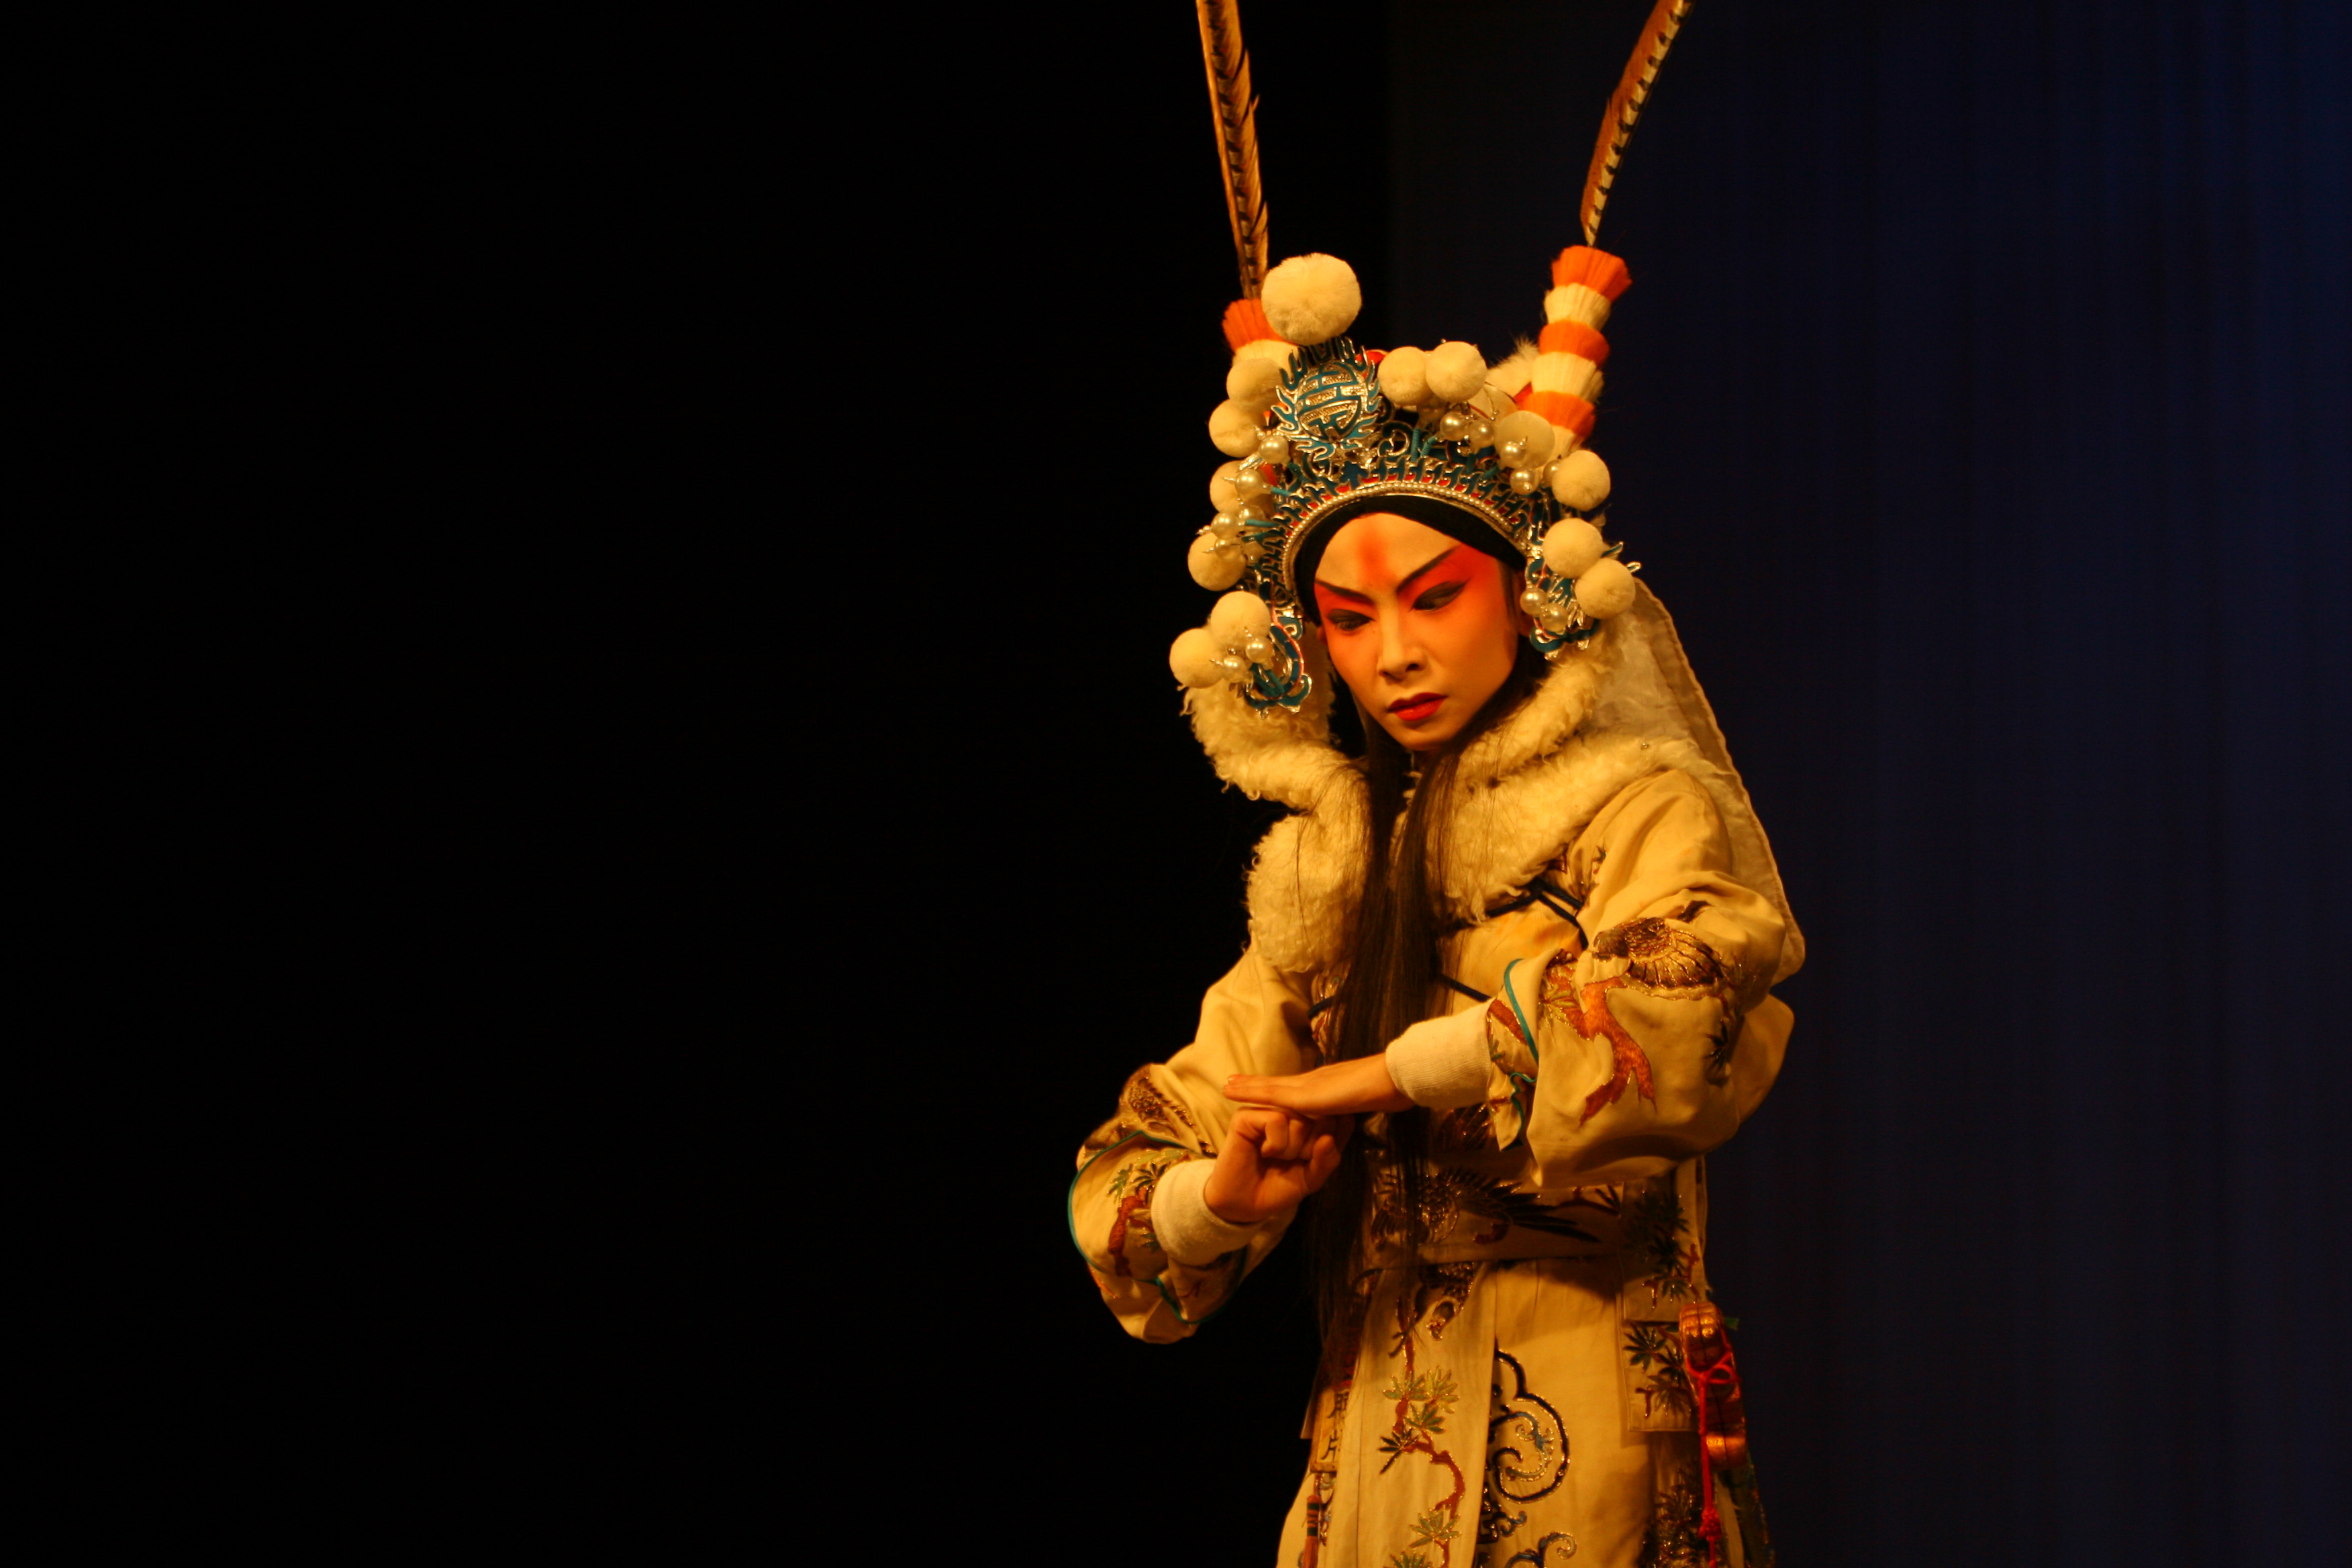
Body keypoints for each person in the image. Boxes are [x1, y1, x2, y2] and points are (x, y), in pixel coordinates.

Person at [1070, 245, 1801, 1568]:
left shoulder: (1631, 807)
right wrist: (1222, 1196)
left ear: (1522, 593)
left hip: (1586, 1405)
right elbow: (1158, 1135)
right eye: (1347, 619)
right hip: (1375, 1438)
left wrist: (1390, 1073)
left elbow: (1681, 1011)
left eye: (1432, 596)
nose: (1393, 651)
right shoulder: (1333, 875)